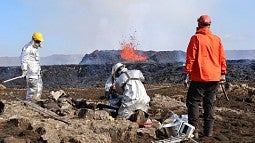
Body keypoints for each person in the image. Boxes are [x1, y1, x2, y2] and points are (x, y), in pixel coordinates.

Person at [184, 15, 227, 138]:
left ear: (198, 25)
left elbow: (190, 58)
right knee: (209, 104)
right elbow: (222, 58)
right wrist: (223, 73)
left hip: (199, 77)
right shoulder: (217, 39)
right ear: (210, 25)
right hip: (214, 78)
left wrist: (187, 73)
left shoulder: (196, 38)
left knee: (193, 102)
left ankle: (194, 131)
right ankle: (208, 132)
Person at [21, 32, 44, 101]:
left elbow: (36, 61)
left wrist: (39, 71)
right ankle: (29, 104)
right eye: (37, 41)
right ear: (33, 39)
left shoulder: (35, 48)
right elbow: (24, 60)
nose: (38, 43)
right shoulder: (27, 48)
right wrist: (24, 70)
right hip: (31, 74)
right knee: (32, 90)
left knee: (39, 88)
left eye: (39, 41)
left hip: (37, 73)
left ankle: (36, 102)